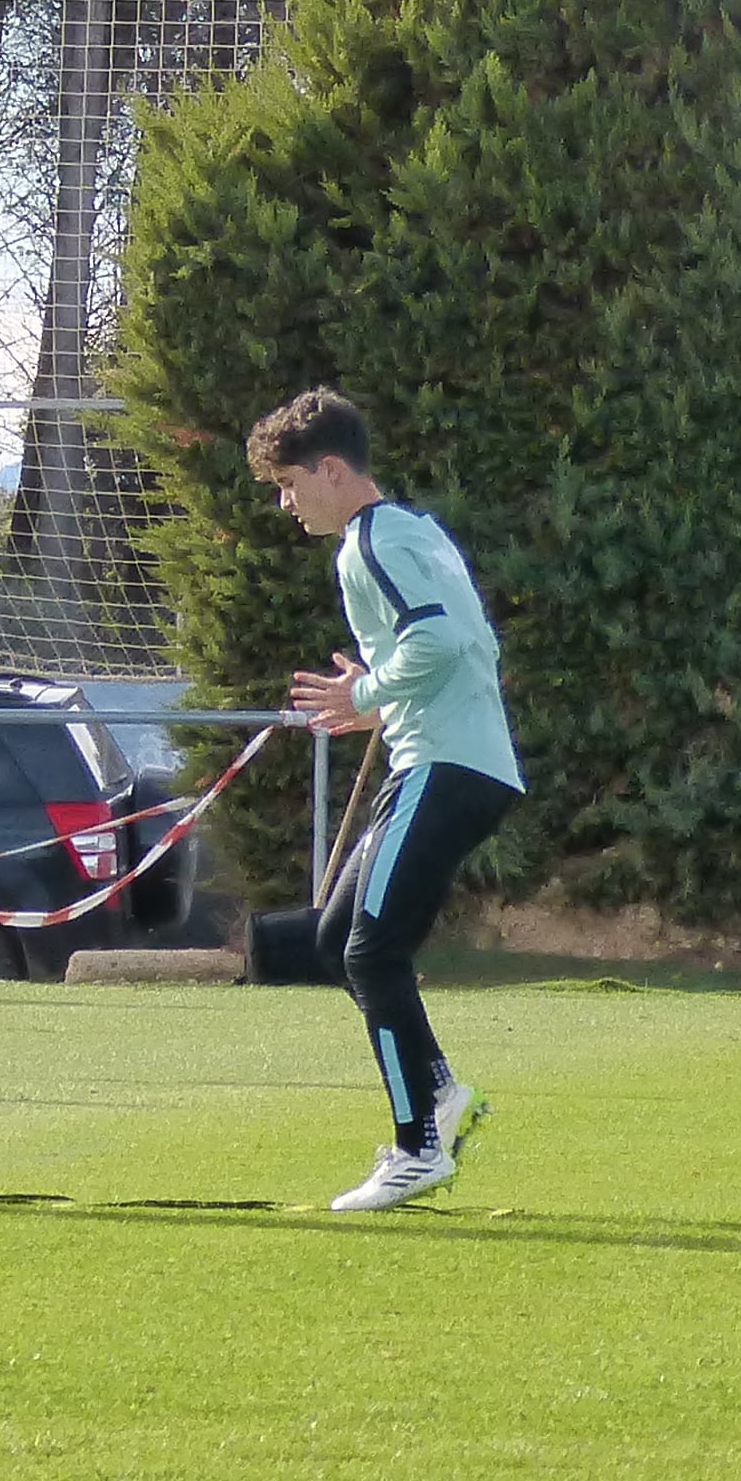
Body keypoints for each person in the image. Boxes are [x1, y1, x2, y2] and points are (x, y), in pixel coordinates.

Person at [254, 389, 518, 1214]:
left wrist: (369, 687)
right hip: (448, 761)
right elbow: (471, 642)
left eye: (291, 483)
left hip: (445, 766)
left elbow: (437, 641)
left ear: (333, 470)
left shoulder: (368, 545)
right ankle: (438, 1093)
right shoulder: (415, 529)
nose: (285, 502)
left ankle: (417, 1150)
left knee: (370, 952)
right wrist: (374, 702)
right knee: (337, 939)